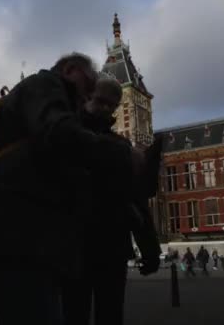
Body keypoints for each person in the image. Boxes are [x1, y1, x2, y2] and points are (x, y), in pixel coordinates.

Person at [0, 53, 139, 325]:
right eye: (89, 86)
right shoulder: (45, 86)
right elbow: (57, 133)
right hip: (21, 238)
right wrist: (121, 154)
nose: (90, 95)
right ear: (70, 70)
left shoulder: (44, 98)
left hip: (20, 237)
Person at [61, 77, 162, 325]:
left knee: (111, 314)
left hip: (111, 245)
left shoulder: (122, 145)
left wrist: (149, 247)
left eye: (112, 104)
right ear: (87, 99)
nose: (106, 108)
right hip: (75, 246)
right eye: (101, 101)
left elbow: (136, 198)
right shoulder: (68, 136)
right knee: (75, 314)